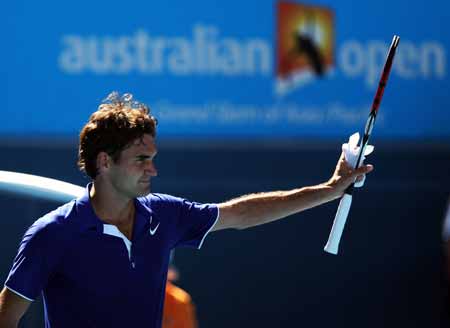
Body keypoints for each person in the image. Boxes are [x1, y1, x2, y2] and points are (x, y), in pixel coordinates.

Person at [0, 92, 373, 328]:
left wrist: (327, 191)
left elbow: (241, 213)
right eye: (141, 159)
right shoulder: (52, 234)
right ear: (105, 161)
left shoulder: (165, 215)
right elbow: (7, 316)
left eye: (153, 158)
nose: (153, 169)